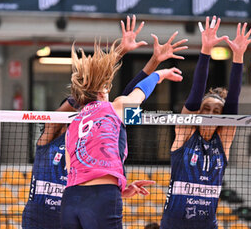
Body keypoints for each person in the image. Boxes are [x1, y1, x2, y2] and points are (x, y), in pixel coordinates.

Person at [60, 18, 185, 229]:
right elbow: (139, 92)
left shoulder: (73, 124)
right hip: (101, 198)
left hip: (70, 199)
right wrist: (159, 74)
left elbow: (75, 170)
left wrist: (118, 187)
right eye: (108, 88)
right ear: (102, 92)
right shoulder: (114, 108)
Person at [160, 16, 251, 229]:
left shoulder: (223, 141)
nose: (210, 114)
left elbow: (232, 105)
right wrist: (205, 51)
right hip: (174, 224)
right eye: (206, 109)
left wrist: (238, 56)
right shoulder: (185, 134)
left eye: (216, 111)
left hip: (207, 225)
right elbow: (195, 96)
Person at [22, 98, 76, 229]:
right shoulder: (47, 140)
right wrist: (81, 96)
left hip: (64, 215)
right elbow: (52, 124)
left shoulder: (80, 143)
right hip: (38, 214)